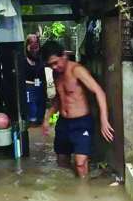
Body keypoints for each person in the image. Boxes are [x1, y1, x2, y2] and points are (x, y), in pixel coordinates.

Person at [40, 40, 115, 177]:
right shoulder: (56, 74)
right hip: (63, 123)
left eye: (56, 62)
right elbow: (58, 99)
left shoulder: (77, 70)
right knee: (62, 161)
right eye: (50, 65)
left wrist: (104, 120)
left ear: (64, 55)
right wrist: (47, 118)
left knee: (80, 164)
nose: (54, 67)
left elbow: (99, 92)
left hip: (81, 123)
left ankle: (84, 189)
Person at [22, 34, 46, 125]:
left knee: (41, 108)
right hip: (29, 87)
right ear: (27, 45)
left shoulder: (41, 58)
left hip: (40, 86)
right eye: (31, 42)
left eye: (36, 42)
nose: (34, 45)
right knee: (32, 109)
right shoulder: (23, 60)